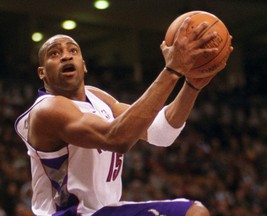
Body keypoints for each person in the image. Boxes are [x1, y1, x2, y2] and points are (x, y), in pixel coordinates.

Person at [15, 17, 233, 216]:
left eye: (73, 50)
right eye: (54, 53)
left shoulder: (97, 97)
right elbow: (117, 139)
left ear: (84, 65)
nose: (65, 56)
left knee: (195, 212)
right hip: (74, 214)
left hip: (104, 211)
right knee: (193, 212)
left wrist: (191, 86)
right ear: (42, 72)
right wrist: (172, 70)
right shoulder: (47, 110)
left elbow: (161, 133)